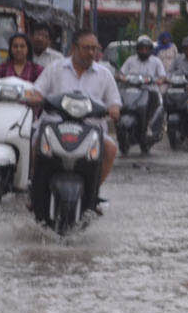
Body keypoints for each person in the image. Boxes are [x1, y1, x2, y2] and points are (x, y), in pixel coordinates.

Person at [24, 29, 121, 204]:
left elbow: (114, 102)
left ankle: (93, 193)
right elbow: (37, 91)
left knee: (111, 149)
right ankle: (34, 184)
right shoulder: (55, 68)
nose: (91, 53)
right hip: (54, 126)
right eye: (87, 48)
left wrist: (113, 110)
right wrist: (35, 98)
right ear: (74, 48)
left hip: (91, 130)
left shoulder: (104, 74)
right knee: (34, 140)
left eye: (94, 48)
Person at [120, 35, 168, 142]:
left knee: (149, 104)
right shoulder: (130, 60)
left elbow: (162, 76)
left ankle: (149, 126)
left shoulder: (156, 61)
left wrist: (158, 80)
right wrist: (122, 78)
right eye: (141, 48)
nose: (144, 51)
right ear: (137, 49)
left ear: (150, 49)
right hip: (132, 90)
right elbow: (121, 73)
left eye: (146, 48)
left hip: (150, 90)